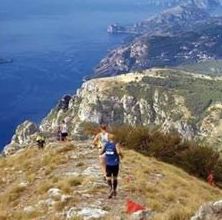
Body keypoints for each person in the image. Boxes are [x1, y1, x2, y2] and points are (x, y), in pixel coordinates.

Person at [100, 133, 123, 199]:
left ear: (108, 138)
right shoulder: (116, 144)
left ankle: (110, 188)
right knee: (115, 177)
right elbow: (118, 152)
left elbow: (101, 152)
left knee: (108, 177)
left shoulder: (106, 144)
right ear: (114, 139)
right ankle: (115, 190)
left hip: (108, 164)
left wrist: (105, 152)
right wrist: (121, 155)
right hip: (115, 164)